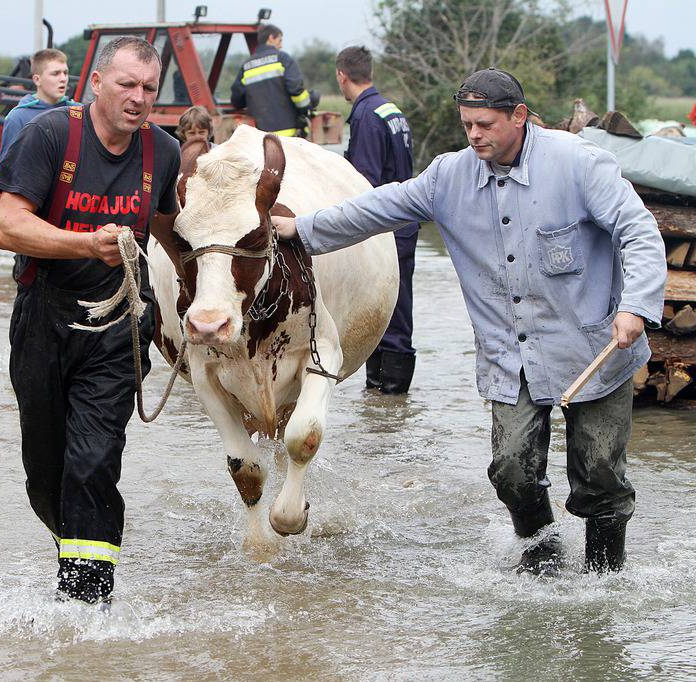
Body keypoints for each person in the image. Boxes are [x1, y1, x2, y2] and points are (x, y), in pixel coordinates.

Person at [273, 68, 666, 575]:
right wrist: (299, 230)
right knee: (511, 473)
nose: (475, 135)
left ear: (519, 117)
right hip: (511, 354)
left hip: (592, 349)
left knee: (599, 476)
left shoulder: (580, 165)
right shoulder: (448, 177)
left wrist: (635, 307)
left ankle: (603, 578)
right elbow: (376, 209)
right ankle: (542, 562)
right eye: (467, 125)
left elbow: (638, 232)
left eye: (485, 124)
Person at [0, 36, 181, 604]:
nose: (138, 98)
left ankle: (87, 609)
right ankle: (73, 546)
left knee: (94, 462)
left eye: (149, 88)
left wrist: (218, 281)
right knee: (46, 475)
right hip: (43, 322)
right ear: (96, 84)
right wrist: (84, 245)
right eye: (127, 84)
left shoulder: (162, 153)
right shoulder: (49, 135)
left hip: (118, 331)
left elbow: (172, 230)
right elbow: (6, 226)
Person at [335, 46, 419, 394]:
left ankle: (389, 393)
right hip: (405, 221)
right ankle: (384, 408)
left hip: (384, 227)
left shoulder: (367, 115)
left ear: (342, 76)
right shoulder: (390, 109)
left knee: (389, 311)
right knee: (393, 307)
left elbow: (365, 180)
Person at [230, 24, 316, 138]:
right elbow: (296, 89)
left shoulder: (247, 66)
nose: (281, 45)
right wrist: (306, 109)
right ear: (271, 38)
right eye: (279, 40)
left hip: (259, 137)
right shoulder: (282, 59)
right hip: (288, 134)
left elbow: (237, 100)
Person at [0, 48, 77, 160]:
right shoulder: (17, 118)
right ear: (37, 80)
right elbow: (9, 169)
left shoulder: (78, 112)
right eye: (55, 74)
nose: (63, 79)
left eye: (65, 73)